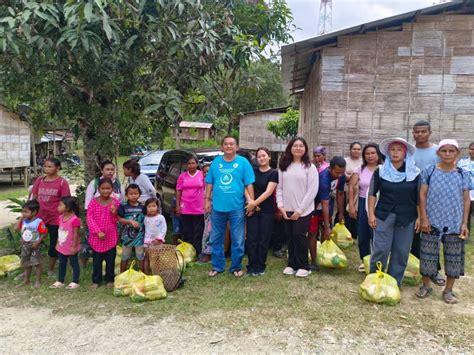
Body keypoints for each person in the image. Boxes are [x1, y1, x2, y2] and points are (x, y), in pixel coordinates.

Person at [416, 139, 470, 304]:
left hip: (454, 222)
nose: (447, 154)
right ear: (438, 153)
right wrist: (424, 218)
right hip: (431, 222)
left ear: (457, 153)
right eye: (444, 151)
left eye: (451, 151)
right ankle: (426, 286)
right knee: (427, 255)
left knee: (454, 258)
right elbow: (422, 195)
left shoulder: (463, 173)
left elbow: (466, 199)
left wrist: (464, 223)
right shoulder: (429, 171)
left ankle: (448, 290)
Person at [367, 137, 420, 287]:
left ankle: (394, 282)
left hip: (407, 216)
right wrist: (371, 214)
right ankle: (374, 279)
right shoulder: (381, 171)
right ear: (388, 152)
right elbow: (372, 193)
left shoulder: (414, 173)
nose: (395, 153)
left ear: (405, 153)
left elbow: (418, 197)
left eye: (399, 150)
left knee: (401, 251)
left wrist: (420, 217)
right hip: (384, 214)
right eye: (392, 149)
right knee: (381, 249)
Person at [205, 136, 255, 278]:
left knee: (238, 239)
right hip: (218, 208)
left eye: (231, 144)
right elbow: (209, 182)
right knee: (216, 238)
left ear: (236, 147)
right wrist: (207, 200)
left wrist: (251, 203)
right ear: (222, 147)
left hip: (237, 207)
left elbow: (249, 184)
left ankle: (236, 267)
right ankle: (217, 266)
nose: (228, 146)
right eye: (226, 144)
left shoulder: (243, 163)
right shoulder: (216, 163)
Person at [277, 137, 319, 278]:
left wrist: (300, 210)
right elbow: (279, 188)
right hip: (286, 209)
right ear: (290, 148)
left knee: (300, 237)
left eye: (301, 146)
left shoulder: (310, 167)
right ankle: (291, 264)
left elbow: (312, 191)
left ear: (305, 149)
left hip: (303, 210)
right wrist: (280, 206)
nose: (298, 148)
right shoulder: (284, 166)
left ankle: (304, 266)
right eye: (295, 145)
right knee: (289, 236)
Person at [411, 120, 444, 286]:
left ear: (430, 132)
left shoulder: (437, 151)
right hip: (410, 198)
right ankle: (414, 268)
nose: (419, 135)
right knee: (413, 236)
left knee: (432, 235)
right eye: (416, 132)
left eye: (423, 131)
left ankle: (434, 270)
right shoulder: (409, 151)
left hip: (432, 200)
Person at [30, 157, 71, 277]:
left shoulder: (62, 183)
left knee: (54, 244)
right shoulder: (40, 180)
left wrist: (66, 218)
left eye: (50, 166)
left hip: (55, 218)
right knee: (32, 242)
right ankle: (30, 268)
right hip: (39, 217)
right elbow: (34, 197)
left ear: (57, 168)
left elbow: (66, 202)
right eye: (45, 166)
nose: (46, 169)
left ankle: (51, 269)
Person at [348, 143, 383, 272]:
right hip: (363, 203)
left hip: (379, 204)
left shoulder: (384, 168)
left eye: (373, 153)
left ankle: (377, 260)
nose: (370, 156)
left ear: (378, 154)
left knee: (376, 233)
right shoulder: (360, 169)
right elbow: (351, 186)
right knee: (363, 233)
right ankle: (365, 260)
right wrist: (351, 205)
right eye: (367, 153)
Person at [82, 160, 123, 268]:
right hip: (95, 221)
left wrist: (116, 213)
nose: (110, 172)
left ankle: (109, 272)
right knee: (91, 245)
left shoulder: (117, 184)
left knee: (110, 248)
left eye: (112, 169)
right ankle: (85, 265)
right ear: (102, 170)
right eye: (107, 169)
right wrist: (93, 226)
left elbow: (121, 202)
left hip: (112, 223)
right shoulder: (94, 183)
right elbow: (88, 205)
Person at [245, 147, 279, 276]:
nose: (262, 158)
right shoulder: (252, 171)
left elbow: (269, 192)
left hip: (267, 211)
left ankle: (260, 266)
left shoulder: (274, 173)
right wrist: (251, 202)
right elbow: (245, 186)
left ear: (269, 157)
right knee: (252, 238)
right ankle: (251, 265)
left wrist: (254, 203)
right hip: (252, 210)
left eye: (264, 155)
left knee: (263, 239)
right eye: (259, 156)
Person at [86, 178, 120, 289]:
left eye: (108, 188)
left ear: (112, 189)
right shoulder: (93, 202)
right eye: (103, 188)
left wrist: (114, 213)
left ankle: (110, 279)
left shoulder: (115, 202)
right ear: (98, 189)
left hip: (110, 236)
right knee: (97, 261)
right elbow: (90, 218)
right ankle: (96, 280)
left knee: (111, 260)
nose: (106, 191)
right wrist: (97, 231)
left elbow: (116, 220)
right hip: (97, 237)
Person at [312, 156, 346, 268]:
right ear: (330, 169)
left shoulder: (341, 176)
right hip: (314, 205)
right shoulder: (323, 178)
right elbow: (324, 202)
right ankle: (313, 260)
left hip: (327, 204)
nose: (340, 175)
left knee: (326, 231)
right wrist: (327, 227)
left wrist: (341, 213)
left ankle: (324, 255)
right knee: (314, 231)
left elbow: (340, 194)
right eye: (337, 173)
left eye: (342, 172)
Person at [15, 200, 48, 288]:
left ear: (34, 212)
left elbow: (44, 233)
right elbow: (15, 229)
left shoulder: (38, 221)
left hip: (34, 245)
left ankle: (38, 281)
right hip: (25, 246)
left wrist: (38, 242)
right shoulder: (24, 221)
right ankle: (26, 280)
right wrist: (21, 218)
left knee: (37, 263)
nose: (23, 213)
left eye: (26, 212)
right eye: (23, 211)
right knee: (26, 263)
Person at [50, 197, 81, 289]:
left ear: (67, 208)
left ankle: (75, 281)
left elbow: (76, 234)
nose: (58, 207)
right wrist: (57, 243)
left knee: (74, 263)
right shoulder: (60, 218)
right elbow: (59, 231)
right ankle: (60, 280)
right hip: (62, 246)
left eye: (60, 205)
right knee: (61, 263)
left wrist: (74, 247)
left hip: (71, 246)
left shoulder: (75, 220)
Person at [176, 157, 205, 256]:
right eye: (189, 163)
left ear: (197, 164)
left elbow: (207, 188)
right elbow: (178, 191)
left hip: (199, 207)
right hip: (186, 207)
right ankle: (187, 252)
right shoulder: (182, 176)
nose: (191, 166)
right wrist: (178, 205)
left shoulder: (201, 175)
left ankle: (197, 251)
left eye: (193, 163)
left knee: (198, 230)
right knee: (187, 230)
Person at [117, 184, 146, 272]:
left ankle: (143, 273)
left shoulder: (142, 207)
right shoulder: (123, 206)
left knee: (140, 255)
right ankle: (122, 274)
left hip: (139, 236)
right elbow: (119, 219)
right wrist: (130, 221)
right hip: (126, 237)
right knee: (125, 255)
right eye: (131, 194)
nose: (133, 195)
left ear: (139, 194)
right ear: (126, 195)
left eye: (136, 193)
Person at [344, 142, 363, 240]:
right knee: (345, 211)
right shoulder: (345, 161)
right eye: (354, 149)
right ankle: (345, 232)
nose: (356, 151)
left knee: (356, 211)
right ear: (350, 150)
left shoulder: (363, 162)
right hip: (346, 189)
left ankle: (355, 233)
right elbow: (342, 173)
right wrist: (350, 176)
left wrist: (353, 177)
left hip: (359, 190)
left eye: (358, 149)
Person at [143, 198, 167, 274]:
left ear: (157, 207)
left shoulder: (161, 217)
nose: (151, 208)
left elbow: (164, 229)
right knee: (147, 257)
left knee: (157, 257)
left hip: (158, 242)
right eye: (149, 206)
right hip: (147, 241)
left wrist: (159, 239)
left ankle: (157, 273)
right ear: (146, 208)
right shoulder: (145, 218)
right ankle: (146, 273)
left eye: (154, 206)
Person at [457, 142, 474, 230]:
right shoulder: (462, 162)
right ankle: (465, 235)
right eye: (471, 149)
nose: (473, 151)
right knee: (465, 216)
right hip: (466, 194)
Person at [199, 164, 212, 263]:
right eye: (204, 172)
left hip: (214, 208)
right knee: (207, 230)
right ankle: (206, 252)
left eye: (209, 171)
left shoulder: (214, 182)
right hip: (206, 209)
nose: (206, 173)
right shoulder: (203, 183)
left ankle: (209, 253)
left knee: (210, 231)